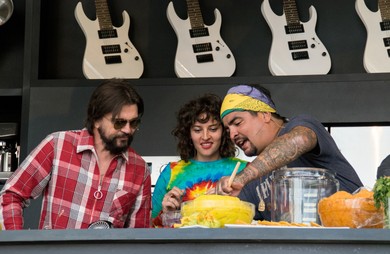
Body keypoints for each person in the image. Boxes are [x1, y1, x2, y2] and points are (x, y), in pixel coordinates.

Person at [0, 79, 151, 230]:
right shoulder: (58, 144)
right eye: (119, 122)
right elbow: (11, 195)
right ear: (96, 119)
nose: (127, 129)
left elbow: (137, 239)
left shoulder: (140, 170)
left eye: (134, 123)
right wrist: (18, 246)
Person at [215, 84, 363, 220]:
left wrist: (243, 177)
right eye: (228, 129)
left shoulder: (300, 125)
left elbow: (300, 139)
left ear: (265, 115)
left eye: (238, 123)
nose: (232, 134)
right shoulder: (252, 184)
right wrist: (218, 197)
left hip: (355, 237)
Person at [151, 93, 247, 226]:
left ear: (224, 131)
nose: (205, 136)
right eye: (197, 130)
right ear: (188, 134)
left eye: (213, 129)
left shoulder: (244, 170)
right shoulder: (171, 172)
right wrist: (167, 213)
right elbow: (151, 229)